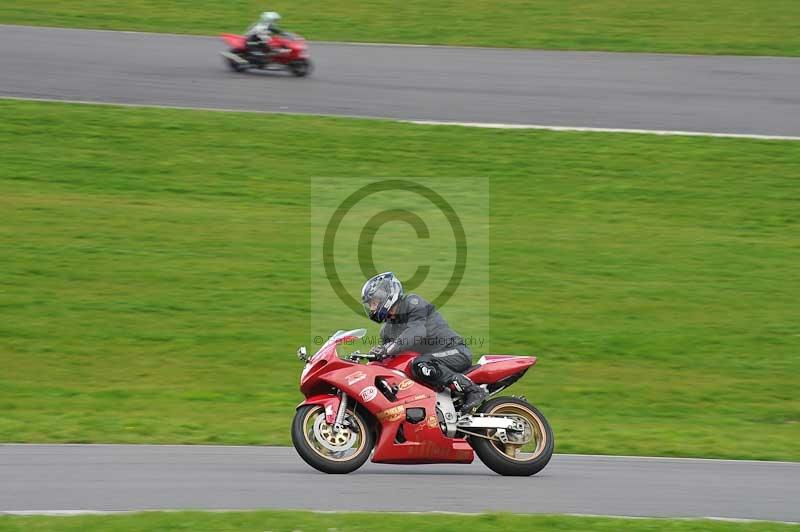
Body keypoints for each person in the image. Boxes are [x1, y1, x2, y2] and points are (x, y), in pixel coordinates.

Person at [361, 272, 487, 413]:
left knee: (420, 363)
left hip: (455, 351)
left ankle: (473, 390)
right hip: (432, 363)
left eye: (374, 302)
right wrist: (376, 357)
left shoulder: (413, 303)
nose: (372, 308)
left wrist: (388, 349)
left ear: (387, 295)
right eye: (370, 304)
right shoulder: (386, 330)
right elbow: (391, 359)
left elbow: (416, 332)